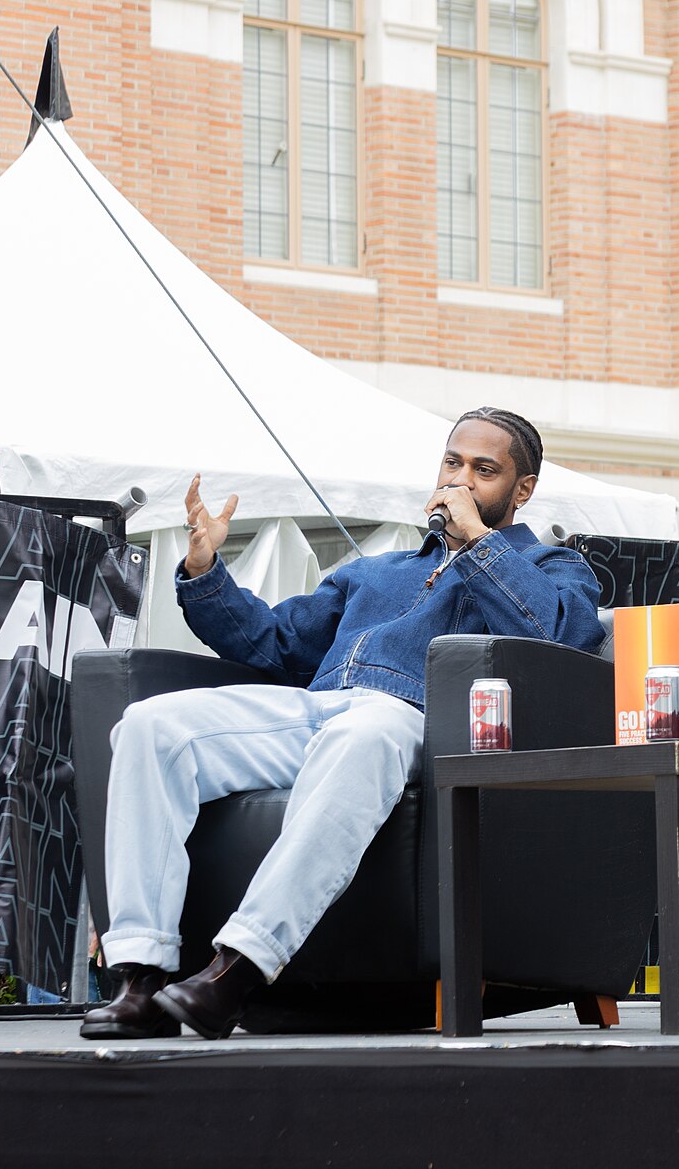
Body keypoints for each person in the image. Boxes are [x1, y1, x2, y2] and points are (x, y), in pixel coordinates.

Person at [81, 407, 603, 1040]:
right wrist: (204, 570)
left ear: (522, 490)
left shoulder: (553, 568)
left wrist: (480, 549)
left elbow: (555, 634)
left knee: (370, 730)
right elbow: (273, 640)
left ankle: (236, 971)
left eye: (484, 470)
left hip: (420, 724)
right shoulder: (377, 570)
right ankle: (140, 976)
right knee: (151, 726)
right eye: (452, 462)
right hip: (321, 710)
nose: (460, 482)